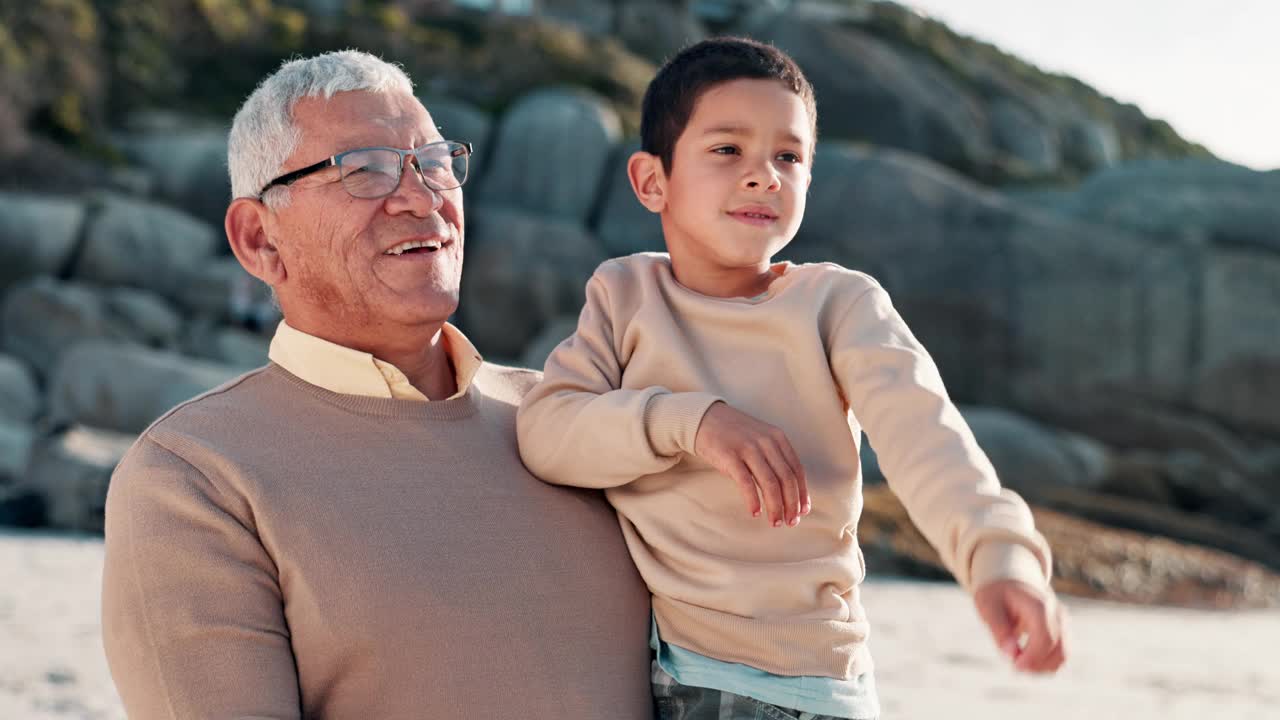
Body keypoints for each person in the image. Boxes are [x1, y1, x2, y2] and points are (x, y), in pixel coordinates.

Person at [516, 37, 1068, 720]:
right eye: (727, 151)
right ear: (651, 180)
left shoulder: (839, 304)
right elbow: (548, 429)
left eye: (788, 156)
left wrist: (998, 555)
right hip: (666, 674)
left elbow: (926, 437)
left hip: (804, 689)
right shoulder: (624, 293)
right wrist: (693, 421)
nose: (764, 176)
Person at [101, 50, 652, 719]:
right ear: (258, 240)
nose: (421, 198)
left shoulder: (573, 422)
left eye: (437, 163)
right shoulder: (196, 476)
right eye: (364, 171)